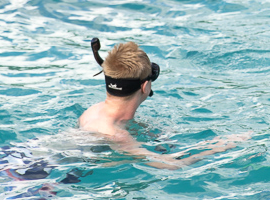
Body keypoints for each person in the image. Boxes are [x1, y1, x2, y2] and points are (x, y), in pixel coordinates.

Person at [79, 38, 239, 168]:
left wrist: (158, 137)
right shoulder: (117, 135)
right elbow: (174, 165)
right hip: (56, 182)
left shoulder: (92, 112)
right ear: (145, 86)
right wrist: (218, 145)